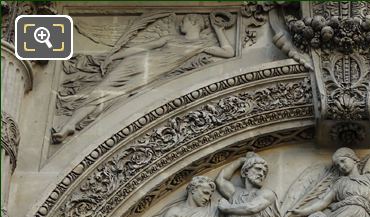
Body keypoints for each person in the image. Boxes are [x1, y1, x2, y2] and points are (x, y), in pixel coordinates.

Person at [52, 13, 236, 143]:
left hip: (150, 74)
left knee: (110, 96)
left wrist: (218, 29)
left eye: (185, 22)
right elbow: (143, 48)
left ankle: (74, 123)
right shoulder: (169, 38)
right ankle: (70, 124)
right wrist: (115, 56)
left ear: (193, 21)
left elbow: (228, 52)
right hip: (133, 64)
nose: (181, 25)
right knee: (100, 91)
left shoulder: (201, 44)